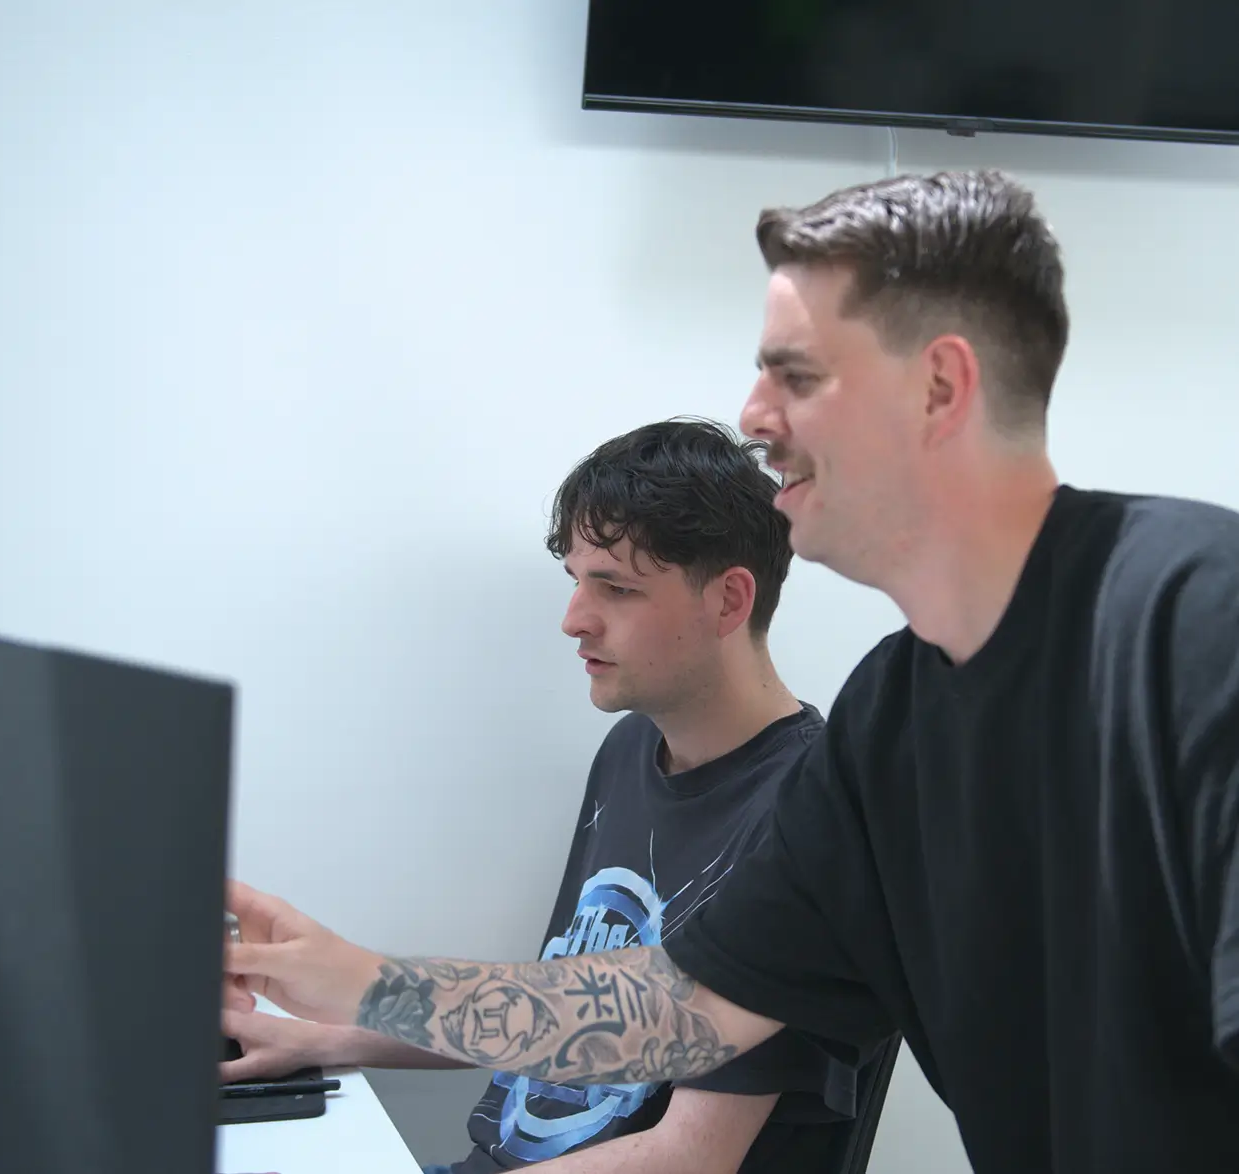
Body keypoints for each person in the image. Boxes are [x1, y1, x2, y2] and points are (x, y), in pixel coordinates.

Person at [224, 168, 1239, 1173]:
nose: (755, 417)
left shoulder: (1197, 620)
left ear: (938, 388)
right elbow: (673, 1013)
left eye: (794, 376)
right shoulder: (888, 721)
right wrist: (362, 987)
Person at [223, 419, 892, 1173]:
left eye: (615, 587)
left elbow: (687, 1159)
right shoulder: (631, 749)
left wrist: (360, 982)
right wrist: (327, 1039)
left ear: (729, 601)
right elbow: (557, 1015)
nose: (574, 619)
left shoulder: (806, 818)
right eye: (575, 581)